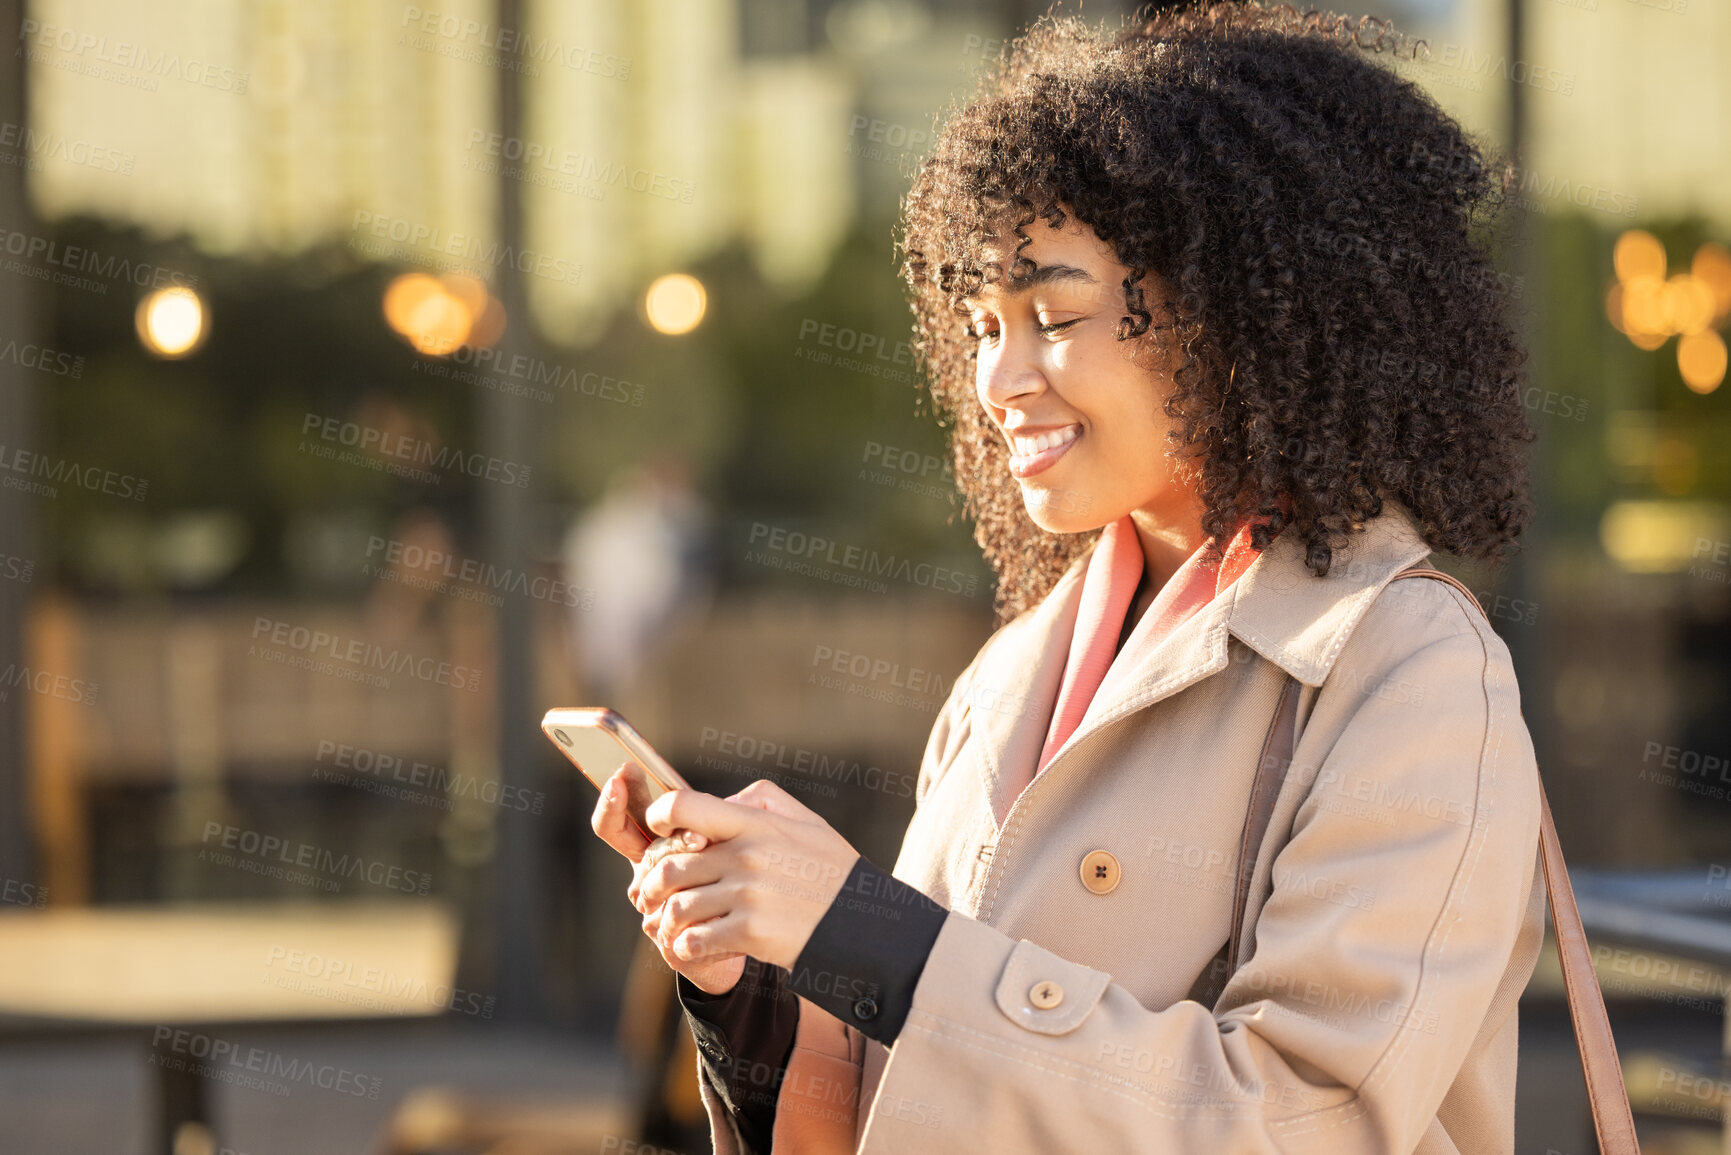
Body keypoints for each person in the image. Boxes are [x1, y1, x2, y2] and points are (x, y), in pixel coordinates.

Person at [592, 5, 1546, 1152]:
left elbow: (1309, 1123)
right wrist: (753, 990)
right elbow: (914, 1088)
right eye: (982, 324)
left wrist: (867, 932)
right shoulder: (1012, 673)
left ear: (1228, 314)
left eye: (1053, 314)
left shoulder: (1413, 676)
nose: (998, 377)